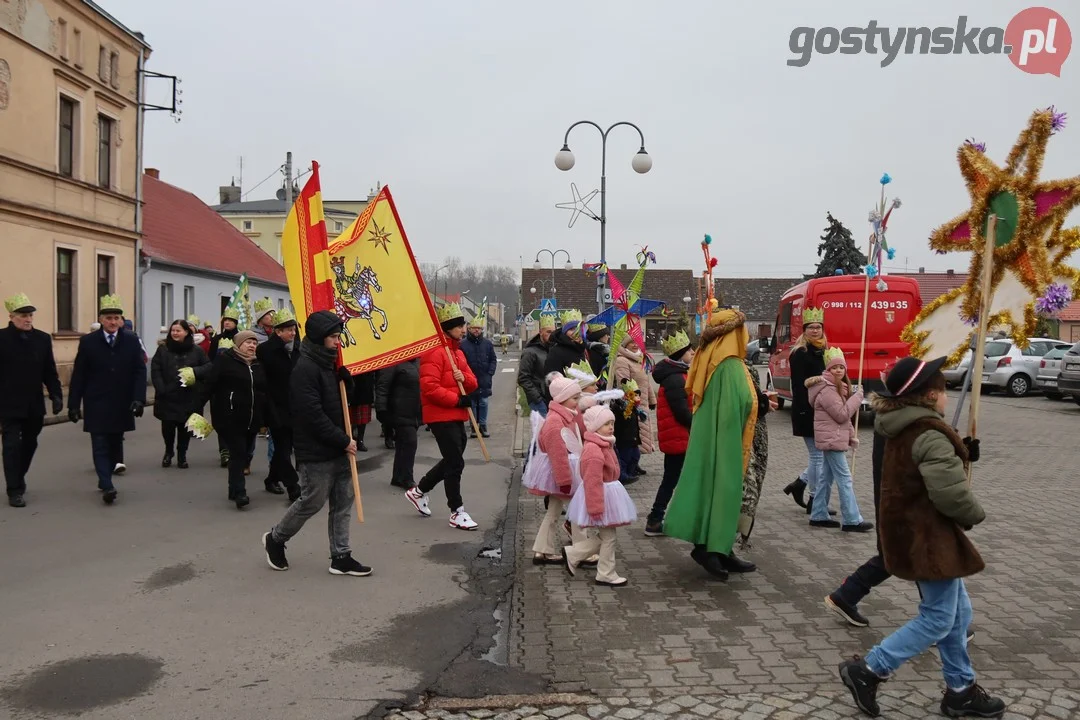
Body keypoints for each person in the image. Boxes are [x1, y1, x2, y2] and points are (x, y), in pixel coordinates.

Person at [838, 356, 1004, 719]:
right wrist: (973, 513)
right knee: (939, 619)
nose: (948, 396)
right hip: (928, 538)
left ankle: (960, 688)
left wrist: (960, 452)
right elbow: (949, 494)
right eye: (944, 390)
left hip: (911, 532)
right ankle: (869, 670)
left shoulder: (900, 425)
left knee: (959, 614)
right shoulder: (928, 432)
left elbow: (924, 471)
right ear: (930, 395)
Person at [662, 306, 774, 580]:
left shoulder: (713, 359)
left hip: (718, 438)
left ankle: (721, 549)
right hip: (727, 441)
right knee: (723, 493)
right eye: (741, 330)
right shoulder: (727, 365)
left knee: (717, 493)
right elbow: (742, 402)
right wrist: (761, 403)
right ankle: (709, 549)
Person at [262, 310, 371, 577]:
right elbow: (312, 415)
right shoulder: (305, 369)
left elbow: (340, 404)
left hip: (339, 447)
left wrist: (348, 382)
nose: (338, 342)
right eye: (334, 337)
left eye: (338, 336)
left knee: (343, 504)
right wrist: (344, 440)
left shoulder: (329, 365)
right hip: (317, 451)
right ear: (321, 338)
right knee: (311, 501)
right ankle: (275, 539)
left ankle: (341, 556)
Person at [405, 303, 480, 530]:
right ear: (447, 328)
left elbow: (473, 381)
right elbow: (429, 387)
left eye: (463, 325)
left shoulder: (457, 352)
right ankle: (456, 511)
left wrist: (463, 379)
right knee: (455, 462)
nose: (463, 330)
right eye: (459, 326)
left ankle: (418, 491)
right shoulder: (434, 353)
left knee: (452, 459)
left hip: (457, 415)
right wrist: (457, 399)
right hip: (440, 416)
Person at [67, 295, 147, 505]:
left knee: (114, 442)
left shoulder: (131, 340)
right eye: (109, 318)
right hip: (97, 401)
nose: (113, 322)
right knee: (99, 442)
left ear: (121, 320)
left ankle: (107, 476)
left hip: (122, 401)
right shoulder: (88, 342)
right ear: (101, 319)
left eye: (117, 318)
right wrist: (74, 404)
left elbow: (139, 371)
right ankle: (107, 483)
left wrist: (139, 399)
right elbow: (79, 374)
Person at [186, 329, 267, 509]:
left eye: (254, 343)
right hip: (231, 418)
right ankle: (240, 492)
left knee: (244, 454)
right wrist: (195, 409)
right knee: (237, 454)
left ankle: (233, 488)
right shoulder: (225, 361)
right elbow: (209, 386)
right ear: (238, 344)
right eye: (248, 342)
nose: (252, 345)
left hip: (252, 419)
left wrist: (265, 416)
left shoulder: (258, 365)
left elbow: (263, 392)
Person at [563, 404, 637, 587]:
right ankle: (605, 573)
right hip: (602, 496)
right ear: (595, 426)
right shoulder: (594, 450)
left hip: (608, 494)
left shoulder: (604, 444)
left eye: (612, 423)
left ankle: (575, 554)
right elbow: (592, 481)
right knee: (609, 537)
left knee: (607, 536)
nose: (611, 427)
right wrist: (595, 507)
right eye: (606, 424)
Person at [0, 293, 63, 507]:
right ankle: (14, 489)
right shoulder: (1, 339)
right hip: (8, 404)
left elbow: (49, 371)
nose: (28, 319)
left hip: (34, 403)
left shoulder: (42, 339)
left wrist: (56, 395)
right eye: (23, 315)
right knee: (10, 446)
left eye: (30, 315)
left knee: (30, 442)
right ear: (11, 316)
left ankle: (18, 475)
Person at [806, 347, 872, 532]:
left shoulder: (836, 388)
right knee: (845, 479)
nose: (838, 371)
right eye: (834, 368)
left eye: (841, 368)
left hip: (833, 438)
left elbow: (844, 420)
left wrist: (851, 436)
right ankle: (852, 519)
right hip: (831, 440)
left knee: (825, 478)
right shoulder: (827, 390)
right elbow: (842, 414)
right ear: (828, 370)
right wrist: (858, 397)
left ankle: (818, 514)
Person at [527, 376, 583, 564]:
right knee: (577, 511)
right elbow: (557, 455)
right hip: (561, 475)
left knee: (553, 512)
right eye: (575, 397)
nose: (578, 402)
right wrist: (565, 480)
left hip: (562, 474)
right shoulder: (555, 422)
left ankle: (542, 550)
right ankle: (582, 552)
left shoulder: (564, 416)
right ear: (562, 398)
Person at [644, 331, 694, 536]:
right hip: (679, 438)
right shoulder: (675, 378)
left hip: (678, 438)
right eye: (689, 350)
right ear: (679, 354)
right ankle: (656, 519)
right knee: (672, 479)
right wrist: (699, 422)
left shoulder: (677, 374)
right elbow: (682, 413)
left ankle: (656, 519)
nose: (692, 352)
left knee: (672, 479)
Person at [783, 307, 828, 511]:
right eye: (811, 327)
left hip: (823, 410)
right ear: (804, 330)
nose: (815, 331)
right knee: (818, 456)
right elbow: (798, 385)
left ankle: (800, 484)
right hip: (806, 410)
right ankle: (814, 500)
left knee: (821, 456)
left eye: (818, 327)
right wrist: (804, 409)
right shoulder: (799, 353)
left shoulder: (824, 351)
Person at [256, 308, 302, 501]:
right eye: (288, 330)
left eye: (293, 329)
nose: (292, 333)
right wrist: (266, 408)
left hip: (294, 406)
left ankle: (271, 479)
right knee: (283, 448)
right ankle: (293, 485)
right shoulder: (266, 351)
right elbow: (262, 382)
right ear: (278, 331)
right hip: (274, 406)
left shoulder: (297, 349)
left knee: (286, 446)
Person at [150, 319, 208, 470]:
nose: (175, 333)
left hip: (188, 395)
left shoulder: (197, 350)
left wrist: (195, 372)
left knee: (184, 428)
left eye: (178, 330)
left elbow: (208, 366)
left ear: (186, 332)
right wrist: (161, 388)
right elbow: (156, 370)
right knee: (168, 427)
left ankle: (182, 455)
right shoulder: (163, 349)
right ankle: (168, 451)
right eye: (173, 330)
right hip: (167, 395)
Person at [611, 336, 657, 476]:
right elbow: (623, 382)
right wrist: (632, 402)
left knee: (639, 436)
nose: (635, 345)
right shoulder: (621, 360)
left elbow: (646, 381)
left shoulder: (638, 359)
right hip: (632, 404)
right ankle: (628, 466)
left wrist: (652, 399)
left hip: (642, 403)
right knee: (632, 436)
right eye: (631, 342)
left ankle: (634, 463)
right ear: (625, 345)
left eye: (637, 342)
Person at [375, 358, 422, 489]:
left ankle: (397, 477)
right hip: (399, 410)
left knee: (403, 444)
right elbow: (383, 385)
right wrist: (381, 409)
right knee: (410, 442)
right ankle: (407, 478)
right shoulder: (393, 360)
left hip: (414, 411)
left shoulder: (417, 361)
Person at [209, 309, 240, 467]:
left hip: (235, 383)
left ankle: (234, 447)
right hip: (218, 384)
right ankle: (224, 450)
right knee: (220, 418)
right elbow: (210, 360)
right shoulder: (216, 339)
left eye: (230, 320)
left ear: (236, 322)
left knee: (234, 419)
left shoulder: (240, 338)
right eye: (225, 320)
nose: (227, 322)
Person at [461, 314, 497, 438]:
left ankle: (483, 425)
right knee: (472, 403)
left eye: (479, 328)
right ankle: (473, 426)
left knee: (483, 402)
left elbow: (493, 359)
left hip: (484, 379)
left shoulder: (487, 344)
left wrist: (490, 373)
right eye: (474, 328)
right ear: (469, 329)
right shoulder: (463, 344)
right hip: (469, 380)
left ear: (482, 330)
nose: (476, 330)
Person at [518, 315, 556, 416]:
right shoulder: (530, 352)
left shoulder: (554, 349)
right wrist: (537, 398)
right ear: (540, 332)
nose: (551, 335)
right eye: (548, 332)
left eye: (553, 332)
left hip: (553, 398)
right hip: (539, 400)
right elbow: (523, 378)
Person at [610, 378, 643, 486]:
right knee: (625, 457)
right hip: (624, 439)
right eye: (636, 396)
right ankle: (622, 475)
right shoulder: (622, 407)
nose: (638, 398)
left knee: (635, 456)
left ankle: (631, 472)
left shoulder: (634, 408)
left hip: (633, 438)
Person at [543, 310, 587, 377]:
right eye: (571, 329)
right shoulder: (556, 352)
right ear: (565, 332)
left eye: (578, 328)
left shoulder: (582, 349)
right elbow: (553, 380)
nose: (576, 332)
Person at [347, 372, 376, 452]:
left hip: (365, 388)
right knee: (350, 419)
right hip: (353, 388)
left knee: (363, 420)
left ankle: (360, 440)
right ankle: (350, 440)